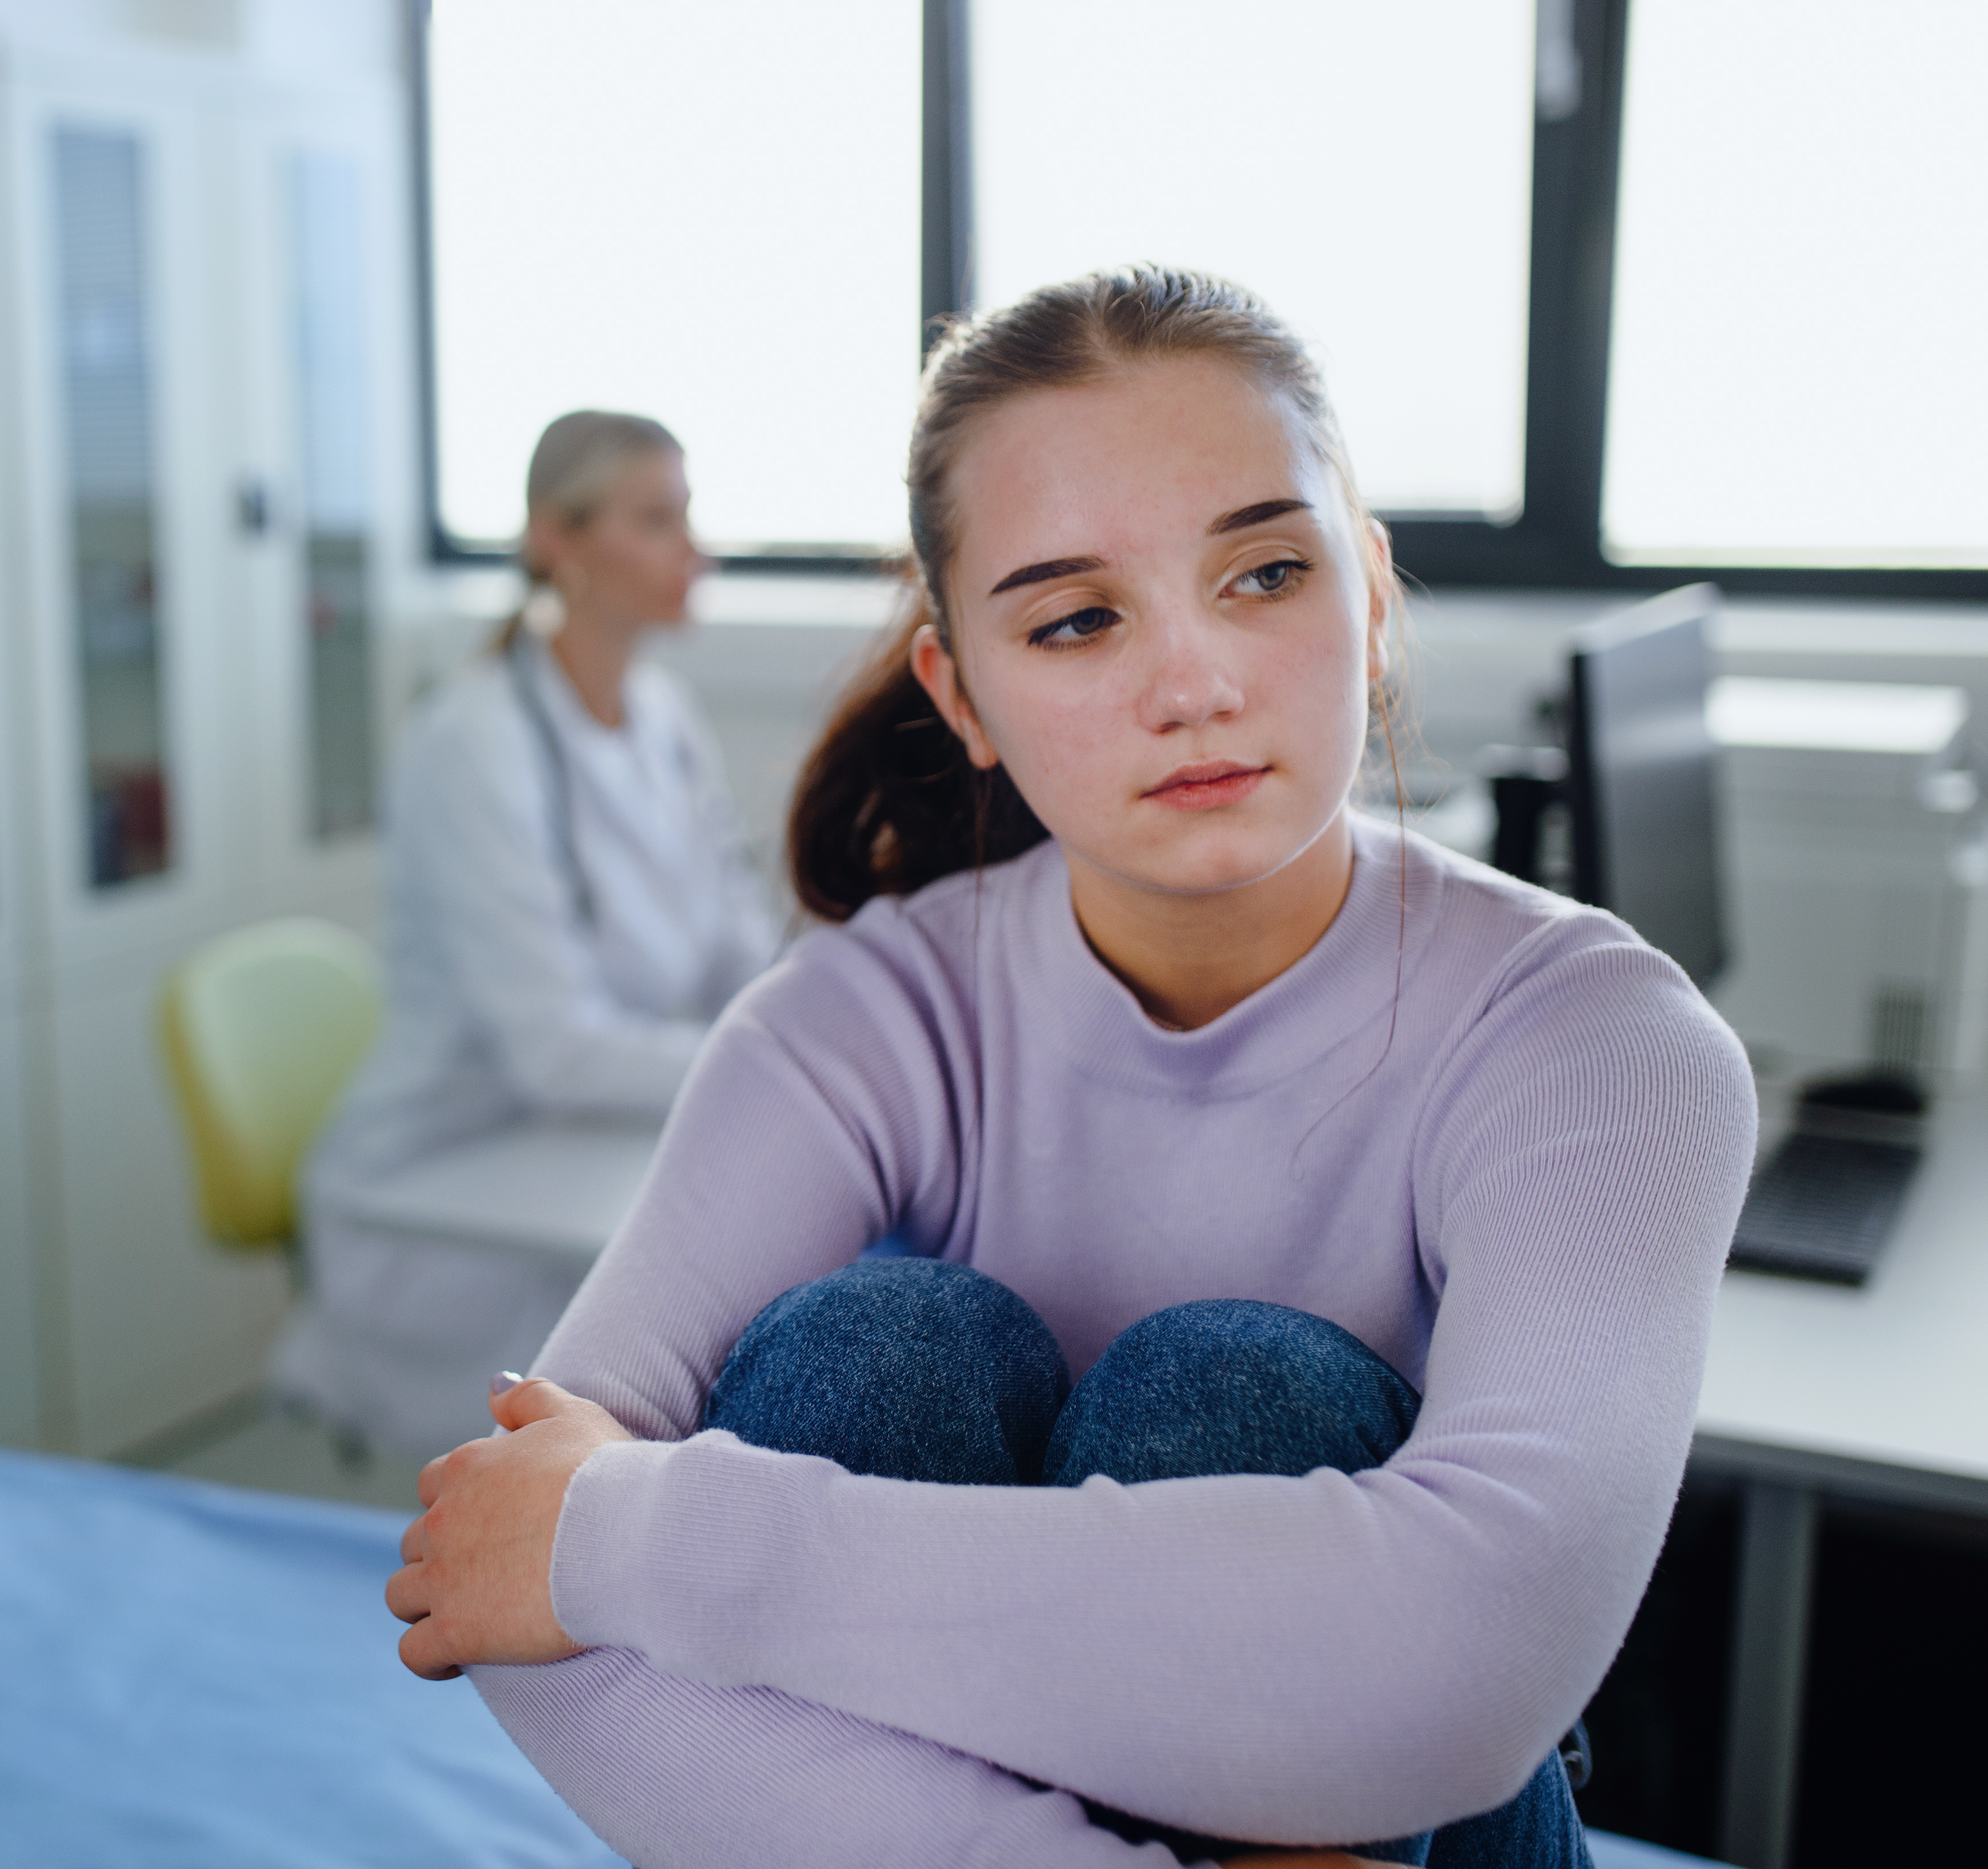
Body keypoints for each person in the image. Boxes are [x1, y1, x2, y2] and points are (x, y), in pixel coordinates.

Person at [384, 268, 1757, 1867]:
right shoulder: (863, 1014)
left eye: (1262, 573)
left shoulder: (1598, 1043)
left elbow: (1463, 1665)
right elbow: (503, 1570)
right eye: (1079, 618)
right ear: (963, 692)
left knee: (1236, 1390)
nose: (1195, 684)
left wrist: (643, 1537)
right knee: (875, 1350)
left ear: (1372, 597)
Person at [271, 411, 780, 1460]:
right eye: (658, 519)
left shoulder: (663, 714)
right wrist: (760, 1068)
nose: (698, 549)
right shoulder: (476, 741)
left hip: (584, 1152)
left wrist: (801, 1025)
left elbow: (740, 941)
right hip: (446, 1192)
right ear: (559, 539)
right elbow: (557, 1051)